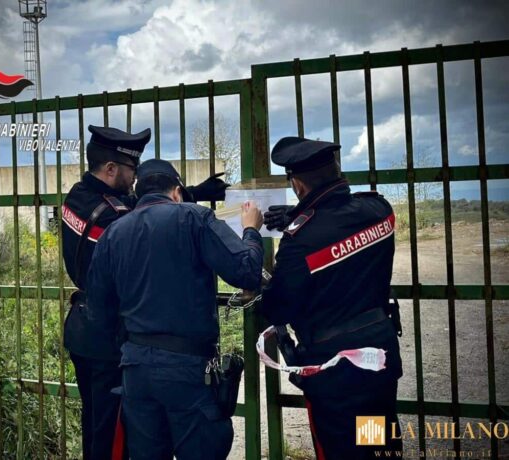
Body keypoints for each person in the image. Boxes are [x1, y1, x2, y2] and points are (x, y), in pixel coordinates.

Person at [61, 126, 230, 459]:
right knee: (113, 439)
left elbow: (135, 205)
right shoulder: (115, 221)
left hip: (83, 329)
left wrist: (191, 192)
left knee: (96, 425)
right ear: (111, 169)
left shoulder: (79, 196)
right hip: (110, 338)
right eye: (131, 169)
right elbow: (145, 217)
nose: (135, 177)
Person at [86, 159, 264, 459]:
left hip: (136, 370)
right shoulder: (195, 218)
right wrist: (251, 230)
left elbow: (98, 310)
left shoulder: (113, 233)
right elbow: (246, 272)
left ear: (139, 193)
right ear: (177, 192)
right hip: (188, 368)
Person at [260, 137, 403, 460]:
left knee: (341, 450)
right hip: (378, 357)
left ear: (297, 183)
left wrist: (300, 217)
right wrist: (299, 213)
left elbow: (278, 307)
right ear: (337, 169)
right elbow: (338, 222)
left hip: (336, 372)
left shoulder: (300, 241)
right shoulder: (378, 211)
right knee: (376, 445)